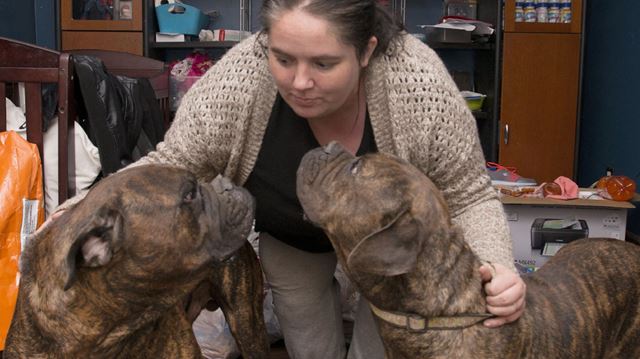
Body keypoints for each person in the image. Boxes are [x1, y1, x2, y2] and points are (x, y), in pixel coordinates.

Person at [54, 0, 526, 357]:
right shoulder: (239, 81)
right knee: (312, 349)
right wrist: (80, 215)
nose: (300, 81)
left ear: (366, 51)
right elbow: (172, 164)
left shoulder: (417, 84)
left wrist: (499, 266)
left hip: (393, 251)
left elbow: (467, 195)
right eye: (283, 59)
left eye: (323, 64)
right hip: (291, 237)